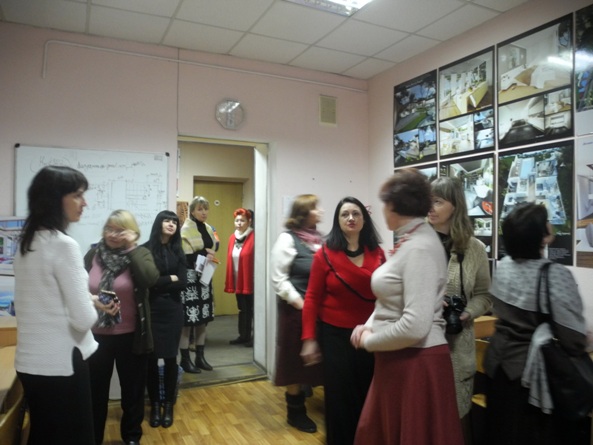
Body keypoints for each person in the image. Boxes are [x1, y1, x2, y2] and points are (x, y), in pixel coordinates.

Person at [350, 168, 463, 445]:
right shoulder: (411, 239)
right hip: (400, 359)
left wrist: (370, 340)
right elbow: (392, 298)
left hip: (415, 362)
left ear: (393, 206)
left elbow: (415, 325)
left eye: (384, 204)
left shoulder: (420, 247)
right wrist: (370, 324)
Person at [484, 203, 589, 445]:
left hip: (496, 363)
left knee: (499, 432)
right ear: (541, 234)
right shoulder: (554, 274)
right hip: (531, 374)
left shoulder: (504, 266)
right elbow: (573, 339)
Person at [14, 166, 98, 445]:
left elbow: (44, 300)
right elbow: (83, 319)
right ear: (54, 198)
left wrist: (86, 299)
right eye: (77, 195)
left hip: (30, 362)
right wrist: (91, 305)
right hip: (63, 363)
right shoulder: (64, 245)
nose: (84, 203)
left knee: (44, 434)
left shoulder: (26, 244)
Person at [301, 196, 385, 445]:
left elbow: (387, 294)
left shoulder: (378, 253)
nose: (351, 218)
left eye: (356, 213)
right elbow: (312, 298)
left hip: (371, 335)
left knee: (368, 394)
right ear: (337, 221)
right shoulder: (324, 254)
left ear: (364, 219)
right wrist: (308, 339)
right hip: (335, 337)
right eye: (345, 214)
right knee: (339, 399)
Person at [84, 209, 160, 445]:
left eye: (120, 230)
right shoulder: (93, 255)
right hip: (96, 337)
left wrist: (132, 249)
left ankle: (131, 437)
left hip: (131, 336)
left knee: (132, 392)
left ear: (132, 232)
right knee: (96, 393)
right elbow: (80, 288)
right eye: (109, 228)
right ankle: (94, 438)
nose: (113, 234)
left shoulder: (141, 254)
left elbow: (149, 279)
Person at [429, 176, 492, 444]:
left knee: (456, 420)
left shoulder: (474, 248)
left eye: (437, 201)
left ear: (455, 205)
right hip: (422, 345)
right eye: (427, 201)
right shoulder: (416, 243)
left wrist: (467, 313)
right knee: (426, 420)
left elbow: (484, 295)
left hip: (457, 346)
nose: (430, 207)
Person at [271, 194, 324, 433]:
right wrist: (301, 304)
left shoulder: (320, 240)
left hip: (319, 312)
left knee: (317, 358)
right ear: (303, 213)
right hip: (295, 311)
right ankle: (295, 412)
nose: (320, 211)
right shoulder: (287, 239)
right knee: (293, 361)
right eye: (315, 208)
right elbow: (279, 279)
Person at [143, 210, 187, 429]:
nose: (171, 224)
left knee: (170, 358)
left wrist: (160, 281)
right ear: (158, 223)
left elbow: (183, 283)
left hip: (172, 310)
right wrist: (170, 278)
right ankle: (155, 404)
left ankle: (168, 404)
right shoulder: (146, 249)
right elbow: (146, 282)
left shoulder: (178, 250)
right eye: (167, 221)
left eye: (175, 222)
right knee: (151, 359)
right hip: (151, 310)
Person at [179, 196, 219, 373]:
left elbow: (213, 247)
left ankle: (200, 357)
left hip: (204, 276)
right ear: (193, 211)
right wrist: (204, 252)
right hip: (190, 278)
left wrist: (208, 254)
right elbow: (185, 256)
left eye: (206, 209)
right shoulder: (186, 229)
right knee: (189, 320)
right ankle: (185, 360)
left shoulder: (208, 228)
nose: (204, 212)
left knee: (203, 318)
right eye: (200, 209)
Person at [224, 208, 255, 347]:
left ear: (249, 222)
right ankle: (243, 336)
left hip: (251, 281)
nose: (239, 223)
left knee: (252, 309)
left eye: (242, 220)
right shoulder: (232, 238)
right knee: (243, 309)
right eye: (237, 220)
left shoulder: (254, 237)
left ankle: (255, 338)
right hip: (238, 281)